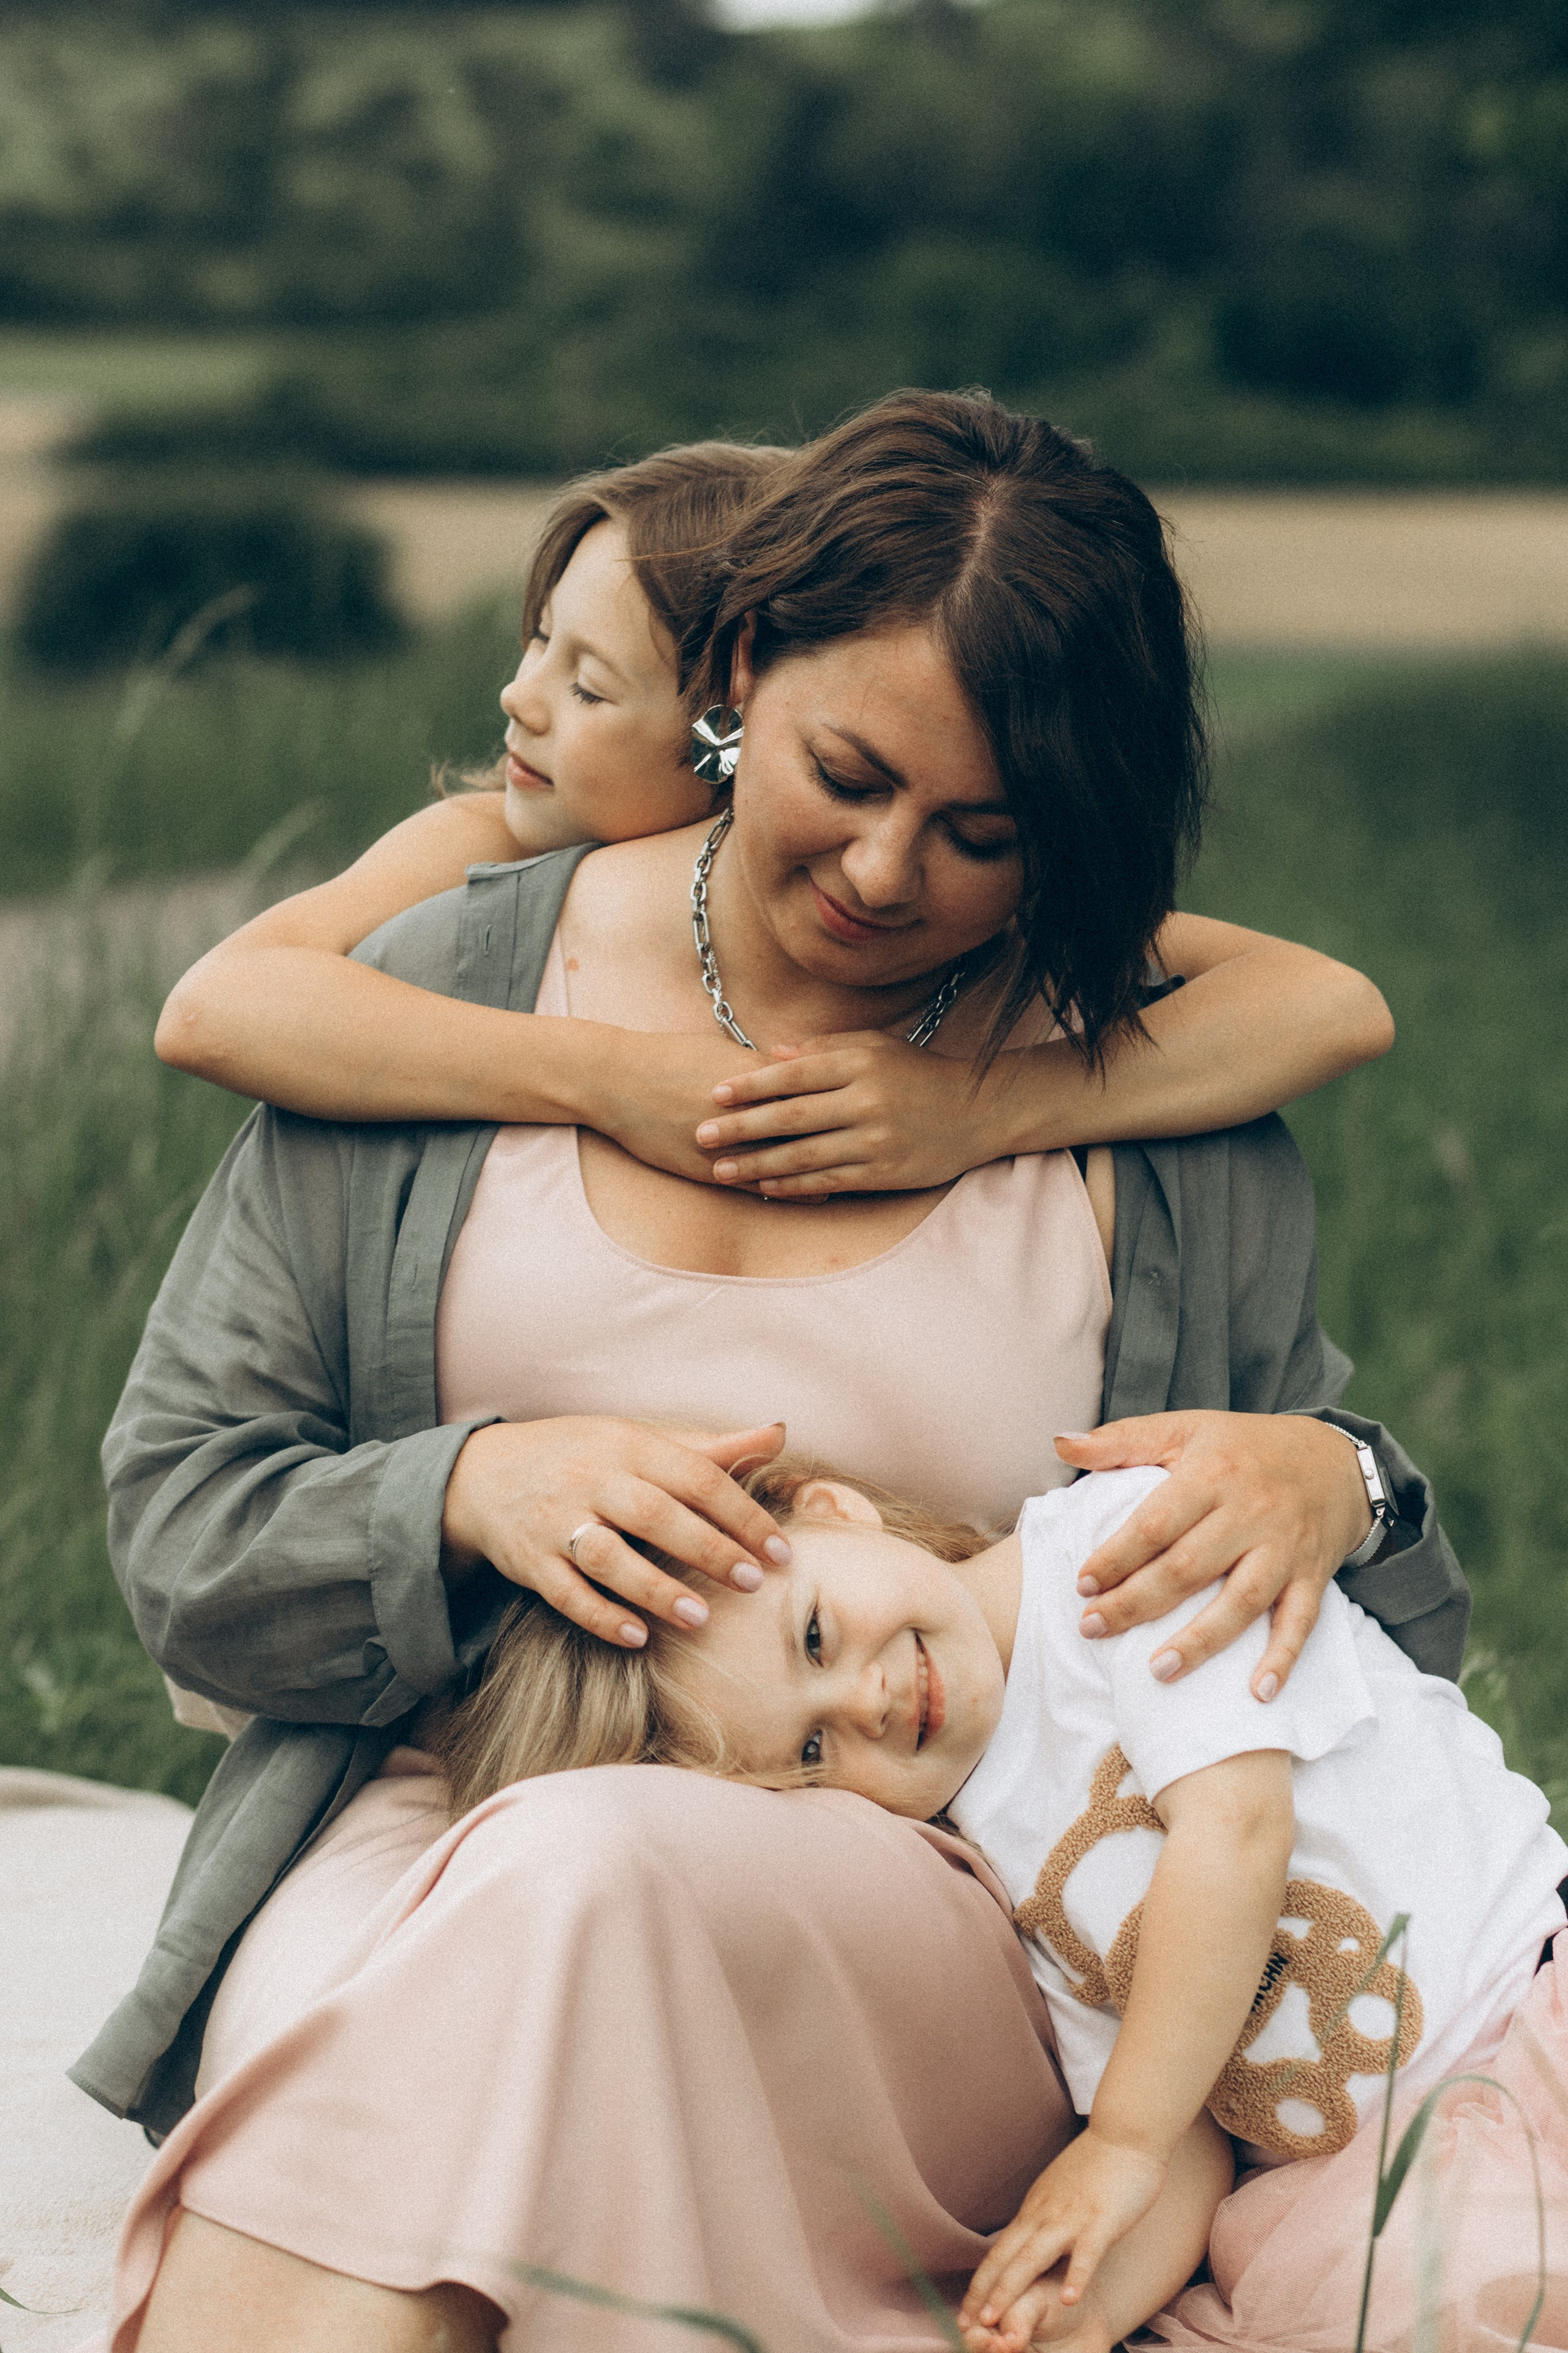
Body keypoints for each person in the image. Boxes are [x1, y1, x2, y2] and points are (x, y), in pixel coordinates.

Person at [83, 390, 1468, 2353]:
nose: (891, 874)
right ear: (738, 672)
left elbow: (1373, 1666)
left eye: (984, 836)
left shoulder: (1149, 1104)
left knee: (582, 1887)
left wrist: (1347, 1486)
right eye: (844, 774)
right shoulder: (436, 1006)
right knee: (472, 1929)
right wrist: (466, 1491)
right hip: (426, 1811)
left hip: (969, 1892)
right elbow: (179, 1519)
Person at [443, 1456, 1561, 2352]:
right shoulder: (985, 1845)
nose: (868, 1698)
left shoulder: (1119, 1554)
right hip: (1345, 2190)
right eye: (815, 1747)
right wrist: (1088, 2309)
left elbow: (1236, 1834)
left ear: (833, 1510)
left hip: (1525, 2021)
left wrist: (1115, 2142)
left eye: (816, 1635)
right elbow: (1185, 2134)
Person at [153, 441, 1394, 1205]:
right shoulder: (488, 843)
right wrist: (613, 1080)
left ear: (722, 710)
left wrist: (988, 1107)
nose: (517, 698)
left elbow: (1330, 1005)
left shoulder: (889, 876)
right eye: (538, 642)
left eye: (588, 686)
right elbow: (217, 1010)